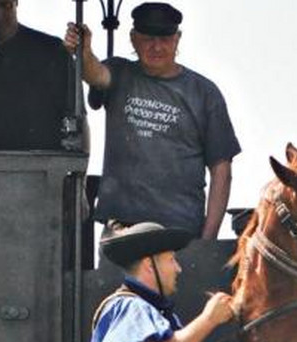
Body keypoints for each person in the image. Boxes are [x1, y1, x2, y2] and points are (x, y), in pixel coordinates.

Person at [64, 2, 241, 239]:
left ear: (177, 38)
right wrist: (83, 51)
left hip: (180, 231)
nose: (156, 47)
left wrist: (208, 239)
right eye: (148, 38)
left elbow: (222, 170)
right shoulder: (119, 72)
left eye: (165, 39)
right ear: (133, 39)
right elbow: (94, 73)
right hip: (121, 230)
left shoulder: (204, 93)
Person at [82, 221, 234, 342]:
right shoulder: (128, 306)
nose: (178, 268)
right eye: (171, 260)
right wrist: (209, 319)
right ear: (149, 266)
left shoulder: (157, 312)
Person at [0, 0, 87, 151]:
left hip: (47, 168)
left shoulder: (53, 51)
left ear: (16, 3)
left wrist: (80, 172)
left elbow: (79, 121)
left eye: (5, 5)